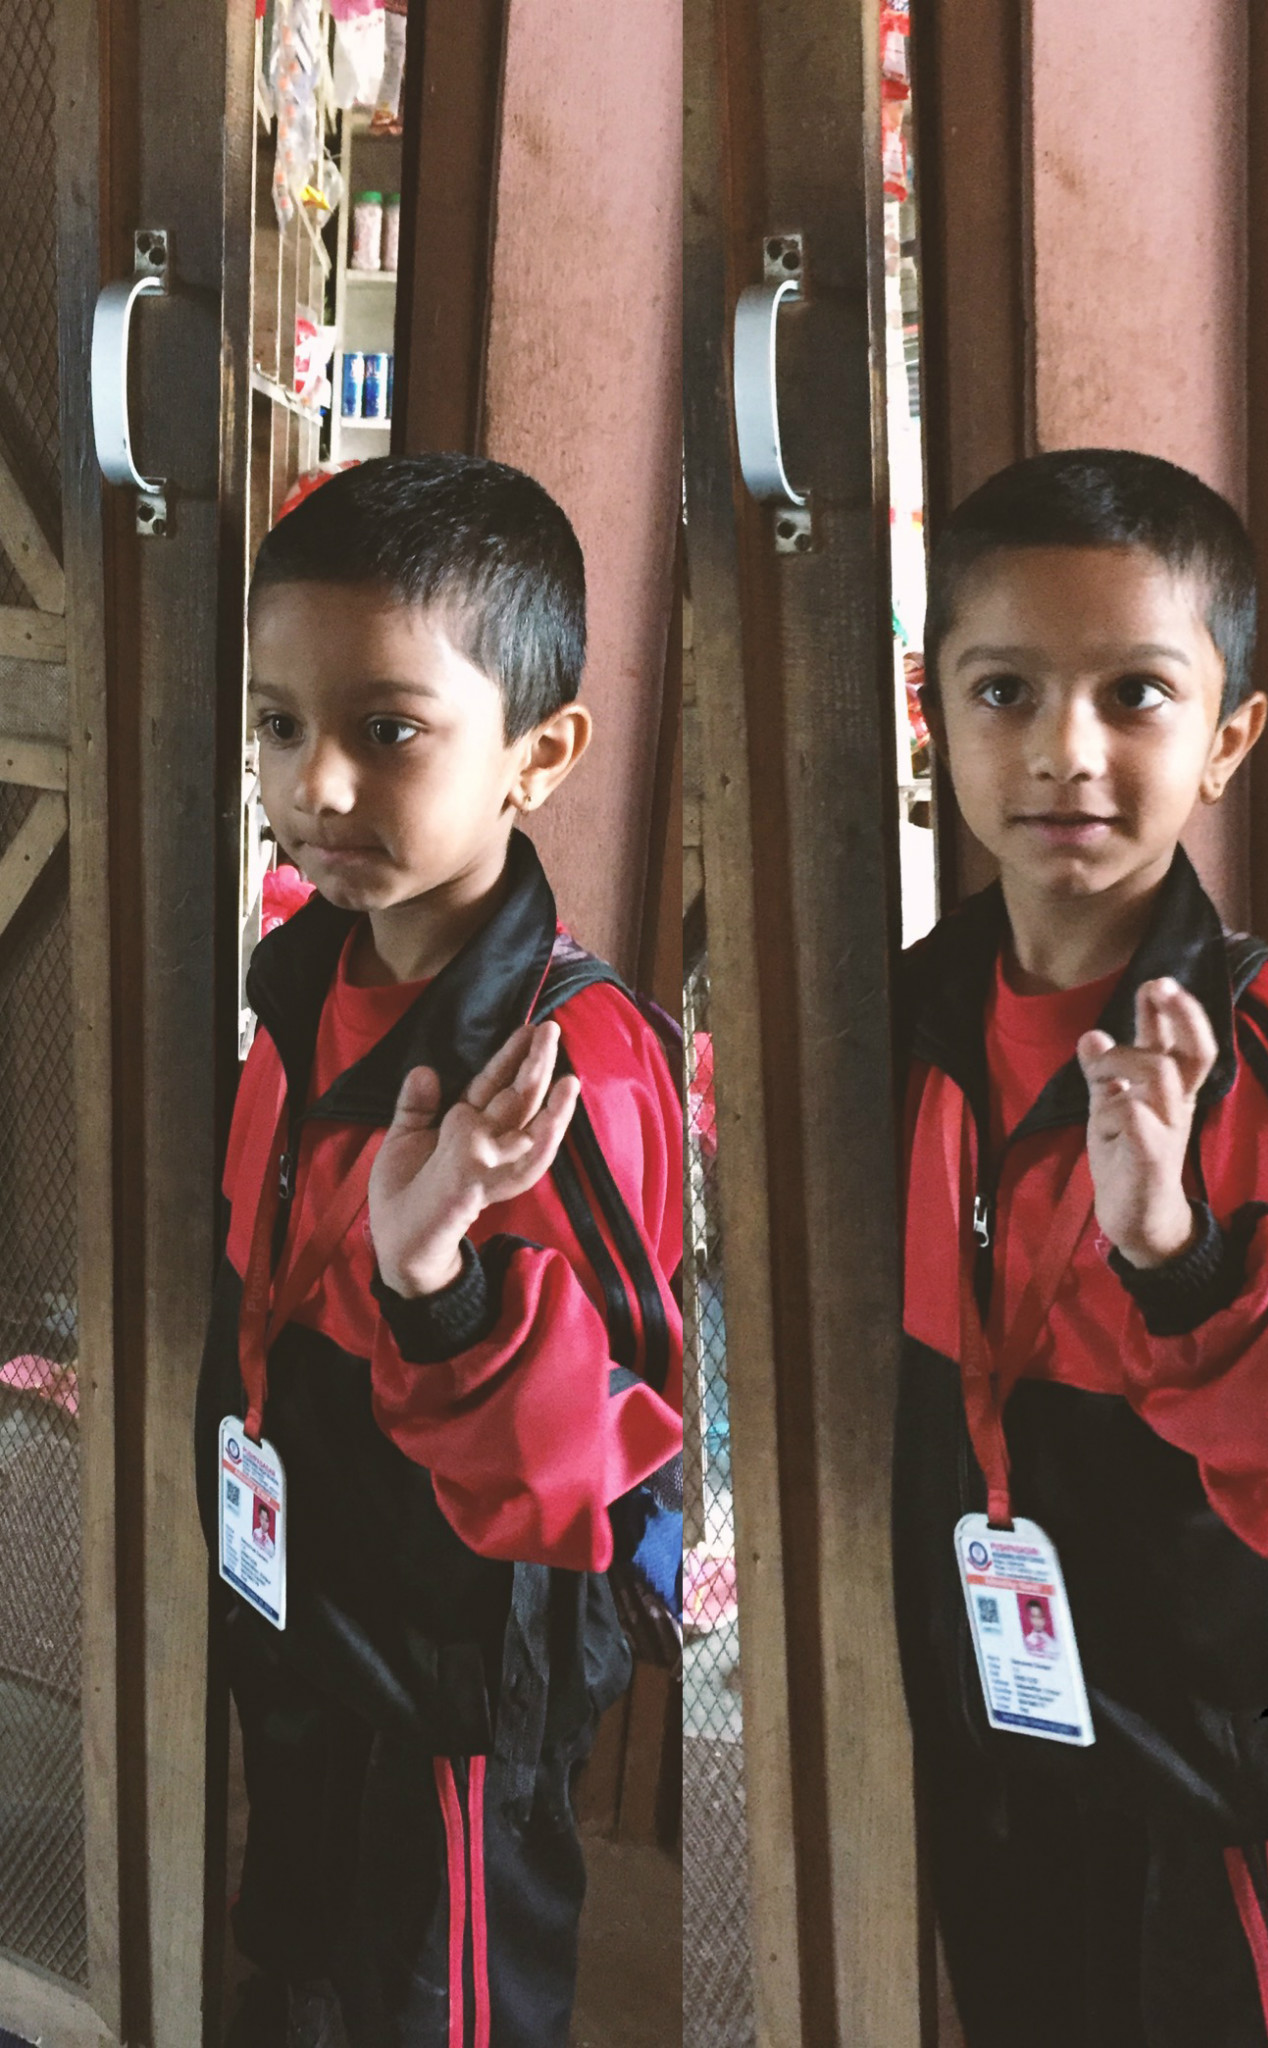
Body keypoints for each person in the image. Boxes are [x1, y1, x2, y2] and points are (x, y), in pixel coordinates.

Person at [195, 455, 693, 2048]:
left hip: (462, 1663)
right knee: (302, 1935)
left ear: (538, 754)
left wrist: (439, 1288)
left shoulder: (570, 1067)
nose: (319, 786)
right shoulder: (304, 979)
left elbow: (594, 1468)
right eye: (281, 725)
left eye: (389, 730)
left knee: (442, 1985)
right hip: (303, 1581)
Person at [893, 449, 1268, 2047]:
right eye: (1006, 691)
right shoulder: (905, 1023)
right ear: (931, 710)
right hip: (988, 1701)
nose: (1066, 750)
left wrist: (1175, 1254)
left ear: (1229, 737)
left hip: (1216, 1752)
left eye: (1137, 695)